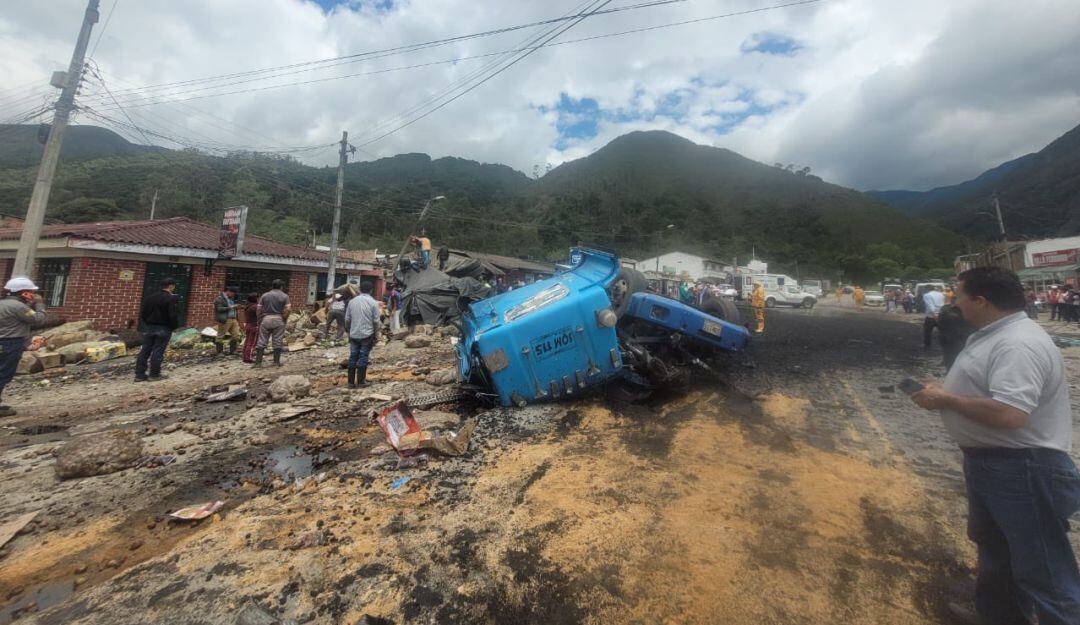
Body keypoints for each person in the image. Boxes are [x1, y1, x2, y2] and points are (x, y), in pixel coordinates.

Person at [911, 266, 1080, 624]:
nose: (955, 303)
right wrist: (944, 392)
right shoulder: (994, 334)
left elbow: (1009, 413)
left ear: (982, 300)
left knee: (1045, 573)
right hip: (996, 466)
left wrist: (946, 401)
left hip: (1022, 470)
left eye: (959, 296)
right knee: (997, 556)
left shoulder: (1018, 343)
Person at [0, 277, 45, 416]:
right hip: (10, 343)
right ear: (23, 293)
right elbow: (38, 319)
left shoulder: (2, 304)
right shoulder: (18, 306)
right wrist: (39, 305)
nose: (32, 295)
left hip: (4, 341)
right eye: (31, 292)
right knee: (3, 374)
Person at [136, 277, 179, 382]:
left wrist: (148, 323)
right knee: (158, 351)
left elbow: (143, 314)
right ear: (171, 286)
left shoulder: (150, 298)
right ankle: (154, 374)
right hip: (164, 327)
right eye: (173, 285)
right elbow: (172, 315)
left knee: (145, 350)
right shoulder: (171, 298)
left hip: (150, 327)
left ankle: (139, 375)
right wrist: (173, 326)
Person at [344, 281, 381, 388]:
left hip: (354, 334)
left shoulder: (352, 302)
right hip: (367, 334)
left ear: (359, 290)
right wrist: (376, 334)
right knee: (363, 356)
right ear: (371, 290)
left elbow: (347, 319)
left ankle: (350, 383)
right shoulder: (373, 302)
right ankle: (361, 382)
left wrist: (348, 330)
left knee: (353, 357)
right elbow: (376, 321)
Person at [253, 279, 290, 368]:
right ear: (281, 287)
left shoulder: (265, 295)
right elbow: (288, 309)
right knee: (277, 340)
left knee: (262, 340)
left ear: (272, 286)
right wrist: (284, 318)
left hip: (266, 319)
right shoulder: (285, 296)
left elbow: (258, 309)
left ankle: (258, 363)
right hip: (278, 319)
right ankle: (276, 362)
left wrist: (259, 319)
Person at [937, 302, 973, 370]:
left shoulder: (972, 308)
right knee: (950, 360)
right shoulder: (946, 309)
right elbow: (940, 323)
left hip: (964, 339)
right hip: (950, 339)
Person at [213, 285, 241, 357]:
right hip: (225, 319)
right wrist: (230, 307)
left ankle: (233, 350)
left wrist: (237, 307)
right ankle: (219, 352)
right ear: (228, 291)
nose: (234, 295)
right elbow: (219, 309)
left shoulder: (231, 298)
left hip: (234, 319)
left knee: (236, 335)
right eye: (233, 293)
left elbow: (233, 307)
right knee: (221, 335)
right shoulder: (219, 299)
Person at [242, 293, 259, 363]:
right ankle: (248, 358)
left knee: (247, 341)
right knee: (251, 343)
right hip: (254, 325)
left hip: (248, 325)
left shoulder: (248, 306)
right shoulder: (255, 307)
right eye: (258, 298)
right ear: (255, 298)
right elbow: (259, 315)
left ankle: (245, 356)